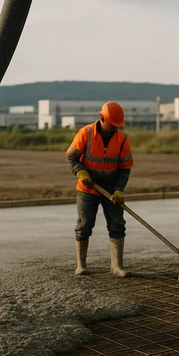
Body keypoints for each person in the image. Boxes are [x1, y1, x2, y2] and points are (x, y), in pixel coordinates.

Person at [65, 101, 133, 278]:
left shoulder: (122, 139)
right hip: (88, 189)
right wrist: (80, 171)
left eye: (118, 126)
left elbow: (125, 168)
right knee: (84, 225)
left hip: (111, 191)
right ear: (102, 118)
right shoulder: (86, 133)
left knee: (117, 225)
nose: (114, 129)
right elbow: (71, 156)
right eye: (112, 125)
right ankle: (81, 266)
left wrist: (119, 190)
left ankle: (117, 266)